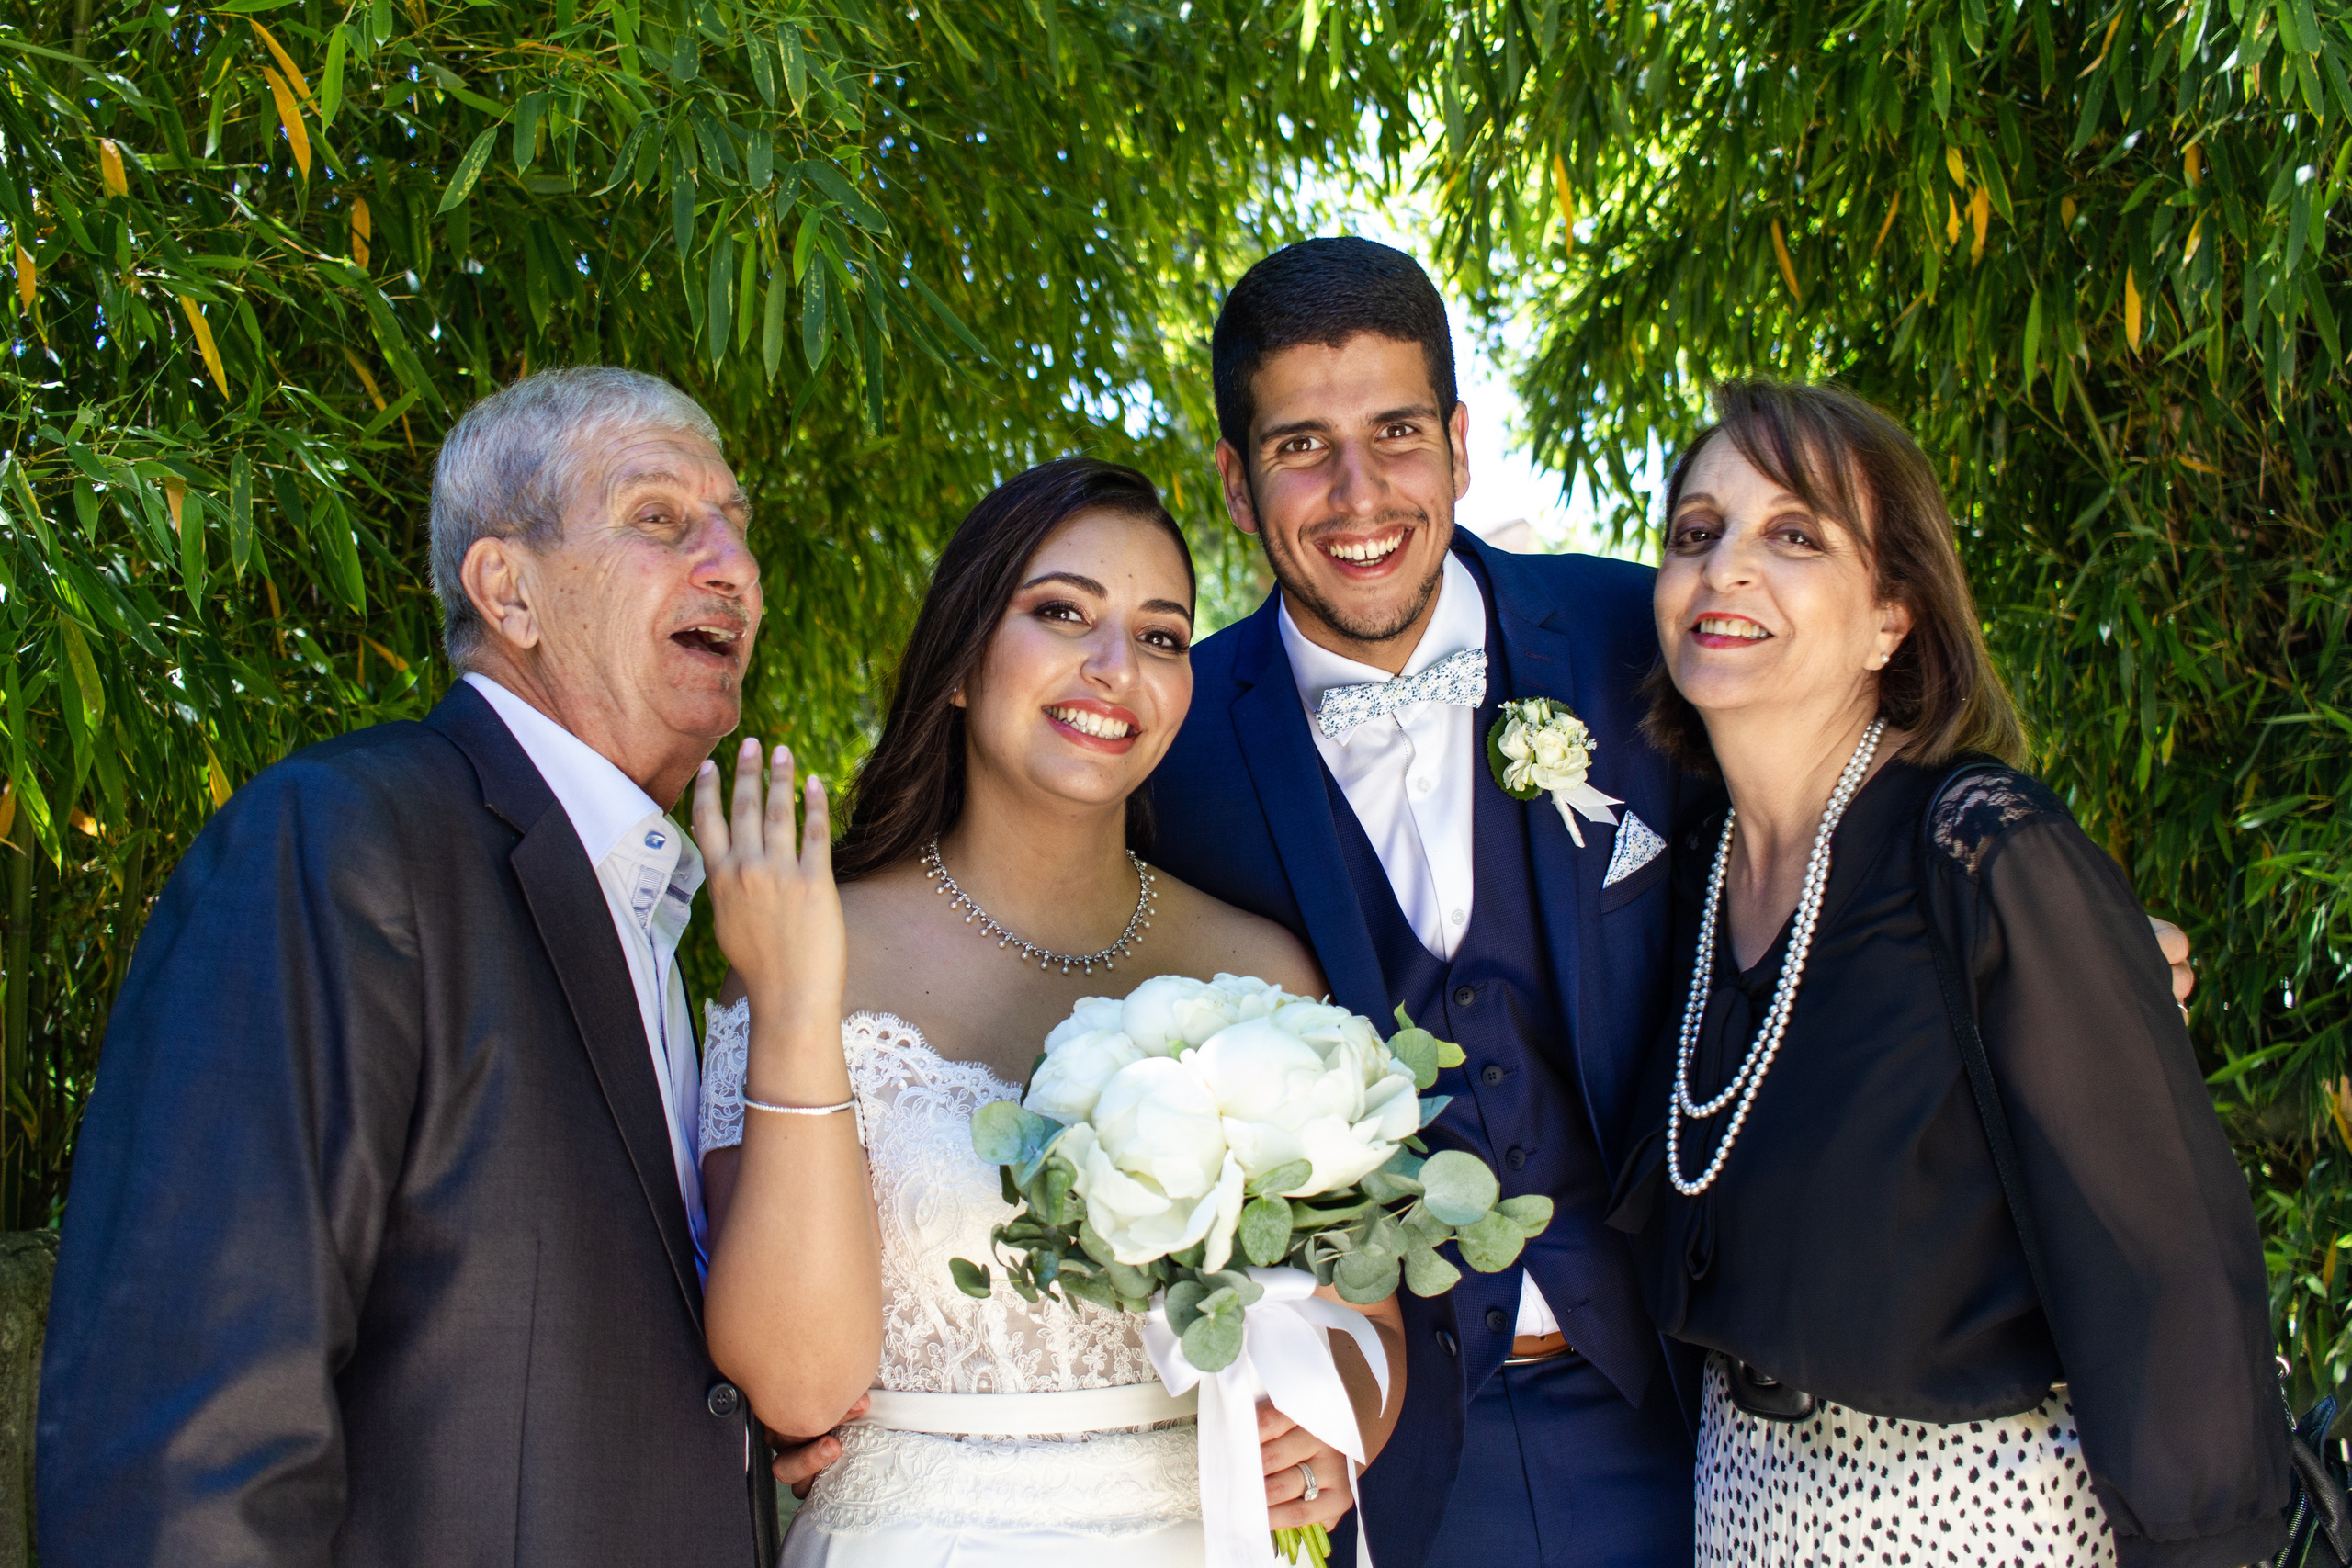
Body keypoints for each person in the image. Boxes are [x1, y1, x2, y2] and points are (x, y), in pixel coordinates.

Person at [36, 368, 785, 1566]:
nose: (732, 565)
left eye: (736, 525)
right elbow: (189, 1444)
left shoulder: (664, 915)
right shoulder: (337, 846)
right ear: (510, 589)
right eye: (660, 518)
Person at [1604, 378, 2290, 1563]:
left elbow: (2166, 1263)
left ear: (1892, 617)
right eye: (1695, 533)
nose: (1724, 569)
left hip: (1976, 1510)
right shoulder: (1695, 875)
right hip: (1743, 1510)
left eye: (1794, 535)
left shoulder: (1981, 844)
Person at [689, 457, 1408, 1567]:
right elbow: (792, 1389)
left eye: (1163, 635)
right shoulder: (804, 952)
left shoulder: (1259, 972)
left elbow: (1365, 1325)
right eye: (1062, 612)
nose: (1117, 668)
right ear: (963, 663)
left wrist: (1337, 1424)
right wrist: (794, 1007)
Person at [1145, 237, 1701, 1568]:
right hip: (1378, 1460)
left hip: (1681, 1408)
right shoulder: (1166, 751)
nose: (1358, 492)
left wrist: (2022, 926)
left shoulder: (1638, 638)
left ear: (1458, 438)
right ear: (1234, 482)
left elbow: (1834, 804)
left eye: (1397, 431)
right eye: (1300, 447)